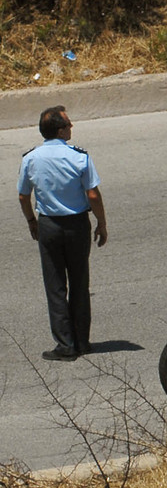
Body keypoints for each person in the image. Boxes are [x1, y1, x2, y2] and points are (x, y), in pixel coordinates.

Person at [17, 106, 108, 361]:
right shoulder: (79, 157)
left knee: (55, 286)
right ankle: (82, 341)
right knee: (80, 282)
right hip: (77, 225)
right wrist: (102, 223)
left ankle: (65, 345)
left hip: (49, 226)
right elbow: (92, 194)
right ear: (59, 130)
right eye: (68, 124)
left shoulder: (31, 158)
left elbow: (24, 196)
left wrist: (31, 221)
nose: (72, 127)